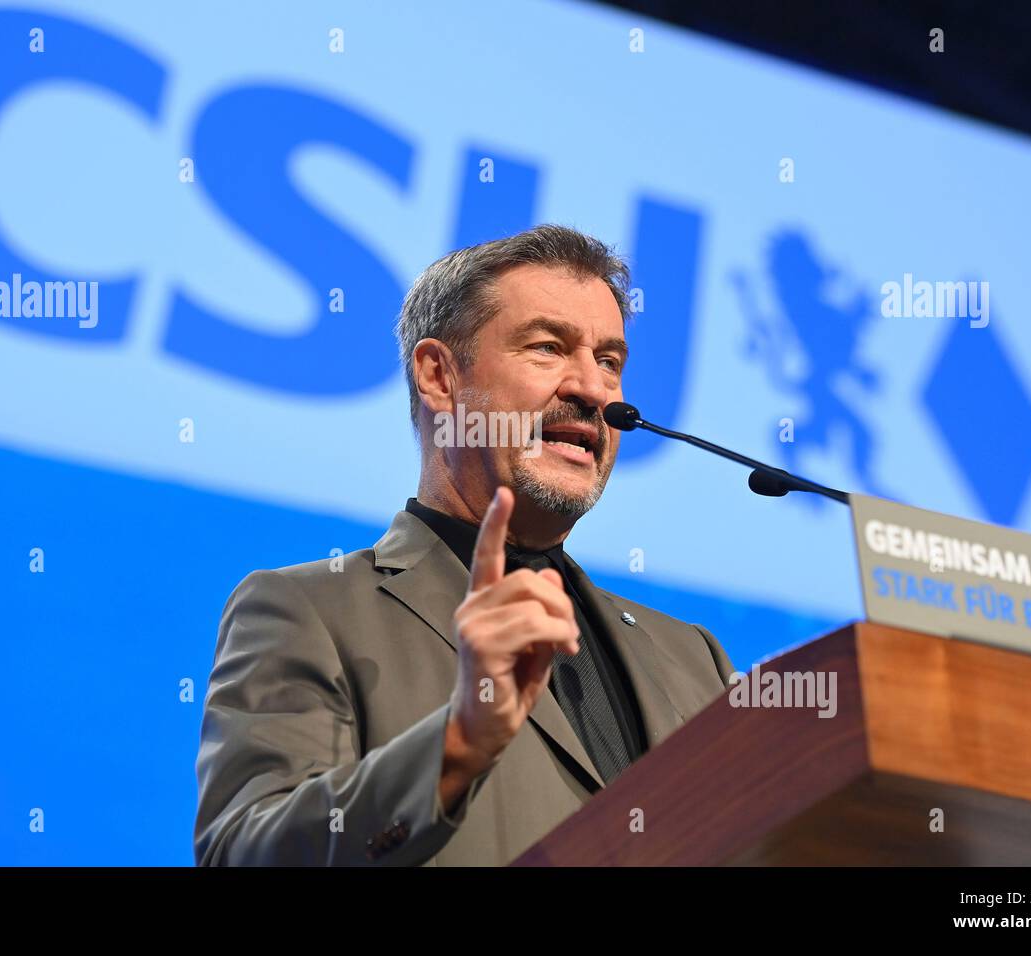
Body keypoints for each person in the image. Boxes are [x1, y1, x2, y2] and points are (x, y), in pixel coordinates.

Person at [194, 224, 734, 866]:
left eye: (610, 361)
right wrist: (458, 745)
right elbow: (245, 852)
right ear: (438, 376)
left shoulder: (692, 658)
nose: (593, 390)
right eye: (547, 347)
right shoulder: (310, 612)